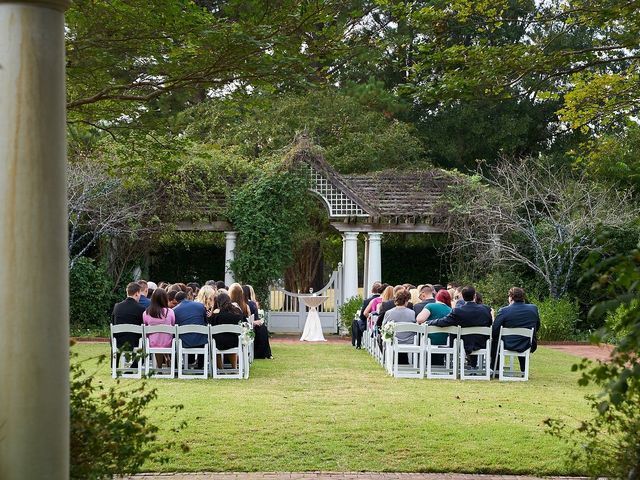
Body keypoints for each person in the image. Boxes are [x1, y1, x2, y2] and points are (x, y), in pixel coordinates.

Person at [427, 286, 492, 367]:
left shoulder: (458, 311)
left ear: (463, 297)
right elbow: (490, 324)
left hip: (463, 344)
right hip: (482, 343)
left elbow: (443, 321)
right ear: (474, 296)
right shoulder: (486, 309)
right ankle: (474, 366)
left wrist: (429, 322)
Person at [491, 287, 540, 371]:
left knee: (495, 340)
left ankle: (495, 368)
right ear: (523, 297)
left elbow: (495, 330)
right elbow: (537, 326)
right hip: (528, 343)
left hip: (508, 344)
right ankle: (524, 369)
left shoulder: (504, 311)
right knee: (523, 339)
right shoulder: (533, 309)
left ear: (511, 297)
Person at [112, 282, 146, 366]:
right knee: (145, 344)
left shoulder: (117, 306)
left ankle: (114, 366)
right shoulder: (141, 309)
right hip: (134, 343)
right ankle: (134, 367)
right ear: (137, 293)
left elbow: (113, 323)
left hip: (118, 342)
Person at [209, 291, 244, 370]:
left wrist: (212, 312)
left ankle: (220, 368)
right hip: (235, 341)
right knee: (228, 337)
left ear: (218, 303)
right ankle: (234, 367)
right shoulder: (237, 312)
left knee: (214, 340)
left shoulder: (216, 314)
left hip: (219, 343)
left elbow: (211, 326)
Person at [416, 289, 453, 365]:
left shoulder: (430, 306)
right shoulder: (450, 310)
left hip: (429, 341)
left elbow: (419, 319)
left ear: (437, 298)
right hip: (445, 341)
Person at [173, 289, 208, 369]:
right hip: (200, 342)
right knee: (201, 334)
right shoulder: (200, 306)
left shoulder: (175, 310)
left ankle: (177, 365)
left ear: (177, 301)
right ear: (187, 297)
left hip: (184, 342)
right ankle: (200, 365)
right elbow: (205, 321)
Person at [143, 288, 176, 367]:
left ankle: (159, 366)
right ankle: (167, 357)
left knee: (157, 338)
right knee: (164, 337)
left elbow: (146, 325)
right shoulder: (170, 312)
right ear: (165, 299)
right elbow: (173, 323)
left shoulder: (146, 313)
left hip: (153, 343)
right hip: (168, 342)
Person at [381, 289, 416, 364]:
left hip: (394, 340)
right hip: (409, 341)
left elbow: (384, 327)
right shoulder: (412, 313)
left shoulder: (389, 313)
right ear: (406, 300)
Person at [242, 284, 272, 359]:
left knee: (262, 328)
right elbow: (255, 318)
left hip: (246, 327)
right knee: (262, 328)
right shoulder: (251, 304)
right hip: (248, 328)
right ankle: (265, 353)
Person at [353, 281, 382, 349]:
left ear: (372, 290)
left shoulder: (367, 301)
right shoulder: (385, 300)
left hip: (369, 324)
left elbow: (362, 316)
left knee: (357, 321)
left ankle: (358, 344)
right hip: (380, 323)